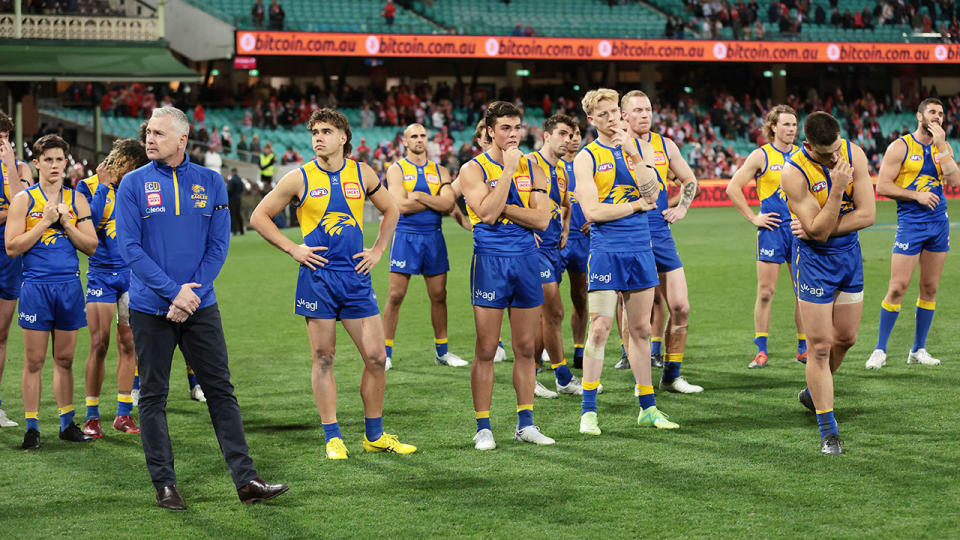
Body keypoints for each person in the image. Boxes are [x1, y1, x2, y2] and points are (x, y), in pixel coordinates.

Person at [116, 106, 288, 508]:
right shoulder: (132, 184)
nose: (149, 139)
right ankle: (165, 484)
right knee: (154, 396)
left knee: (221, 391)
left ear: (182, 138)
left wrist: (191, 293)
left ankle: (246, 481)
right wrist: (173, 293)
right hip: (151, 308)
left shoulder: (210, 182)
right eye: (148, 132)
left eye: (158, 133)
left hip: (200, 305)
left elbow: (218, 245)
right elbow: (130, 249)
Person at [249, 108, 416, 460]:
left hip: (356, 278)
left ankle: (374, 435)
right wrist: (293, 248)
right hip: (318, 278)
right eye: (314, 132)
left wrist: (378, 250)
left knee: (375, 357)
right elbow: (259, 216)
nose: (318, 137)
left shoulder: (362, 172)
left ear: (343, 138)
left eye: (326, 131)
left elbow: (392, 210)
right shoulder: (299, 178)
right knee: (324, 357)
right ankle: (333, 436)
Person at [573, 89, 678, 436]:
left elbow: (655, 192)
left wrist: (634, 154)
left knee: (642, 330)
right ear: (591, 120)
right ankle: (589, 412)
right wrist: (634, 207)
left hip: (640, 248)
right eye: (602, 115)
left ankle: (647, 408)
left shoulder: (639, 148)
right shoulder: (586, 158)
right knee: (600, 327)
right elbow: (593, 212)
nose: (611, 119)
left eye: (613, 112)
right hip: (605, 250)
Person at [460, 101, 553, 450]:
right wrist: (509, 176)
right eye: (505, 129)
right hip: (490, 263)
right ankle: (483, 427)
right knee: (486, 348)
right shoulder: (471, 169)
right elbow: (484, 215)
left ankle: (525, 423)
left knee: (526, 348)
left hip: (527, 261)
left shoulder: (535, 166)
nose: (513, 135)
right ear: (489, 131)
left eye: (517, 128)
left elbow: (542, 220)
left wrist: (504, 210)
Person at [780, 111, 875, 455]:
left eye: (837, 149)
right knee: (819, 347)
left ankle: (813, 391)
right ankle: (828, 430)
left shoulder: (854, 153)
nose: (836, 158)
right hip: (814, 264)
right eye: (826, 153)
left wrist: (819, 225)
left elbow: (868, 215)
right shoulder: (793, 174)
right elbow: (816, 235)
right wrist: (836, 192)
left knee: (846, 339)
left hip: (849, 259)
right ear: (807, 146)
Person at [6, 134, 98, 449]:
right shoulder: (24, 200)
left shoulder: (77, 200)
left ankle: (66, 422)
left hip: (70, 286)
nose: (55, 165)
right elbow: (11, 247)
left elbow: (92, 246)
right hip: (35, 286)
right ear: (37, 163)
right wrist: (44, 222)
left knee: (66, 358)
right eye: (48, 160)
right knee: (34, 361)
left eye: (60, 159)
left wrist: (68, 225)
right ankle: (32, 427)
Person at [867, 98, 960, 369]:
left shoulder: (942, 147)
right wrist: (916, 195)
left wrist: (942, 145)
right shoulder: (900, 147)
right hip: (910, 225)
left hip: (938, 225)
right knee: (898, 287)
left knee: (930, 288)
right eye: (932, 112)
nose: (937, 117)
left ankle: (918, 349)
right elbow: (882, 186)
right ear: (919, 116)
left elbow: (954, 180)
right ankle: (880, 349)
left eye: (941, 113)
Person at [621, 90, 703, 394]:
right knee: (634, 316)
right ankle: (640, 380)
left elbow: (690, 179)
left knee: (680, 307)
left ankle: (671, 376)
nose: (645, 115)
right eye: (638, 110)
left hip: (659, 230)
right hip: (627, 231)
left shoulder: (664, 145)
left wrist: (682, 207)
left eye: (648, 109)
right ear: (624, 116)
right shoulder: (613, 147)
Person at [726, 105, 807, 368]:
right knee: (765, 292)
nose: (792, 129)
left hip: (799, 231)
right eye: (786, 124)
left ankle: (803, 348)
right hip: (772, 231)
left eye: (794, 125)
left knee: (802, 292)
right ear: (773, 127)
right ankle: (761, 350)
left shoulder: (804, 155)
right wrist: (753, 217)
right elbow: (733, 188)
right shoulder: (761, 155)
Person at [80, 139, 149, 439]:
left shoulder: (134, 186)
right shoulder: (87, 186)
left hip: (131, 276)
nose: (131, 173)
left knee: (129, 344)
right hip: (101, 275)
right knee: (99, 343)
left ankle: (123, 414)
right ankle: (92, 416)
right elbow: (89, 226)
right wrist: (105, 187)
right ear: (118, 161)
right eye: (130, 167)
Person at [382, 124, 466, 370]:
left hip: (433, 237)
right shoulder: (396, 170)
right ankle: (385, 353)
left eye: (423, 136)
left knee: (439, 296)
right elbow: (401, 206)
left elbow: (449, 202)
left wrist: (418, 195)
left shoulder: (439, 170)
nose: (419, 140)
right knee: (395, 296)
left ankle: (442, 352)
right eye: (414, 136)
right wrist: (435, 201)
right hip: (406, 237)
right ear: (405, 141)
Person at [528, 114, 582, 396]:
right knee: (555, 311)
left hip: (553, 248)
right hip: (534, 251)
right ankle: (562, 374)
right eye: (563, 134)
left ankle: (532, 374)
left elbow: (566, 204)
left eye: (571, 135)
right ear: (546, 135)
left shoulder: (560, 170)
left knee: (544, 316)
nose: (569, 140)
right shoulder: (528, 165)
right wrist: (526, 229)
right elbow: (511, 201)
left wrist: (564, 229)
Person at [0, 111, 32, 428]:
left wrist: (10, 168)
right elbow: (15, 211)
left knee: (1, 334)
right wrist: (11, 212)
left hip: (10, 258)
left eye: (6, 138)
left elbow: (24, 210)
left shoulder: (20, 168)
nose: (3, 143)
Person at [558, 122, 589, 370]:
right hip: (558, 241)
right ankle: (550, 350)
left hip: (584, 239)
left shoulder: (588, 163)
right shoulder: (553, 166)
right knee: (548, 300)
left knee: (580, 296)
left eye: (577, 134)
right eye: (569, 134)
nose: (574, 139)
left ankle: (579, 350)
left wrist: (595, 217)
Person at [227, 167, 245, 236]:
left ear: (232, 172)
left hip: (232, 199)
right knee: (238, 214)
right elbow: (242, 189)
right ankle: (241, 230)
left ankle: (234, 231)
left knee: (233, 215)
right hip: (238, 199)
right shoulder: (240, 180)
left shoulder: (232, 180)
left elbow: (229, 191)